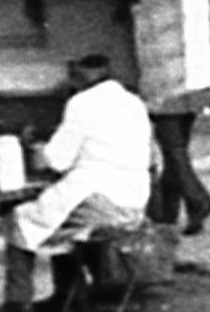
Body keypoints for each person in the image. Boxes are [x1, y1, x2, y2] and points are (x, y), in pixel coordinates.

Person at [9, 50, 158, 259]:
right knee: (59, 217)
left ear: (79, 75)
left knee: (22, 222)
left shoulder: (81, 103)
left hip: (100, 200)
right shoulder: (135, 102)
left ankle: (24, 291)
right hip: (135, 200)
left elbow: (56, 161)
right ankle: (70, 288)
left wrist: (33, 146)